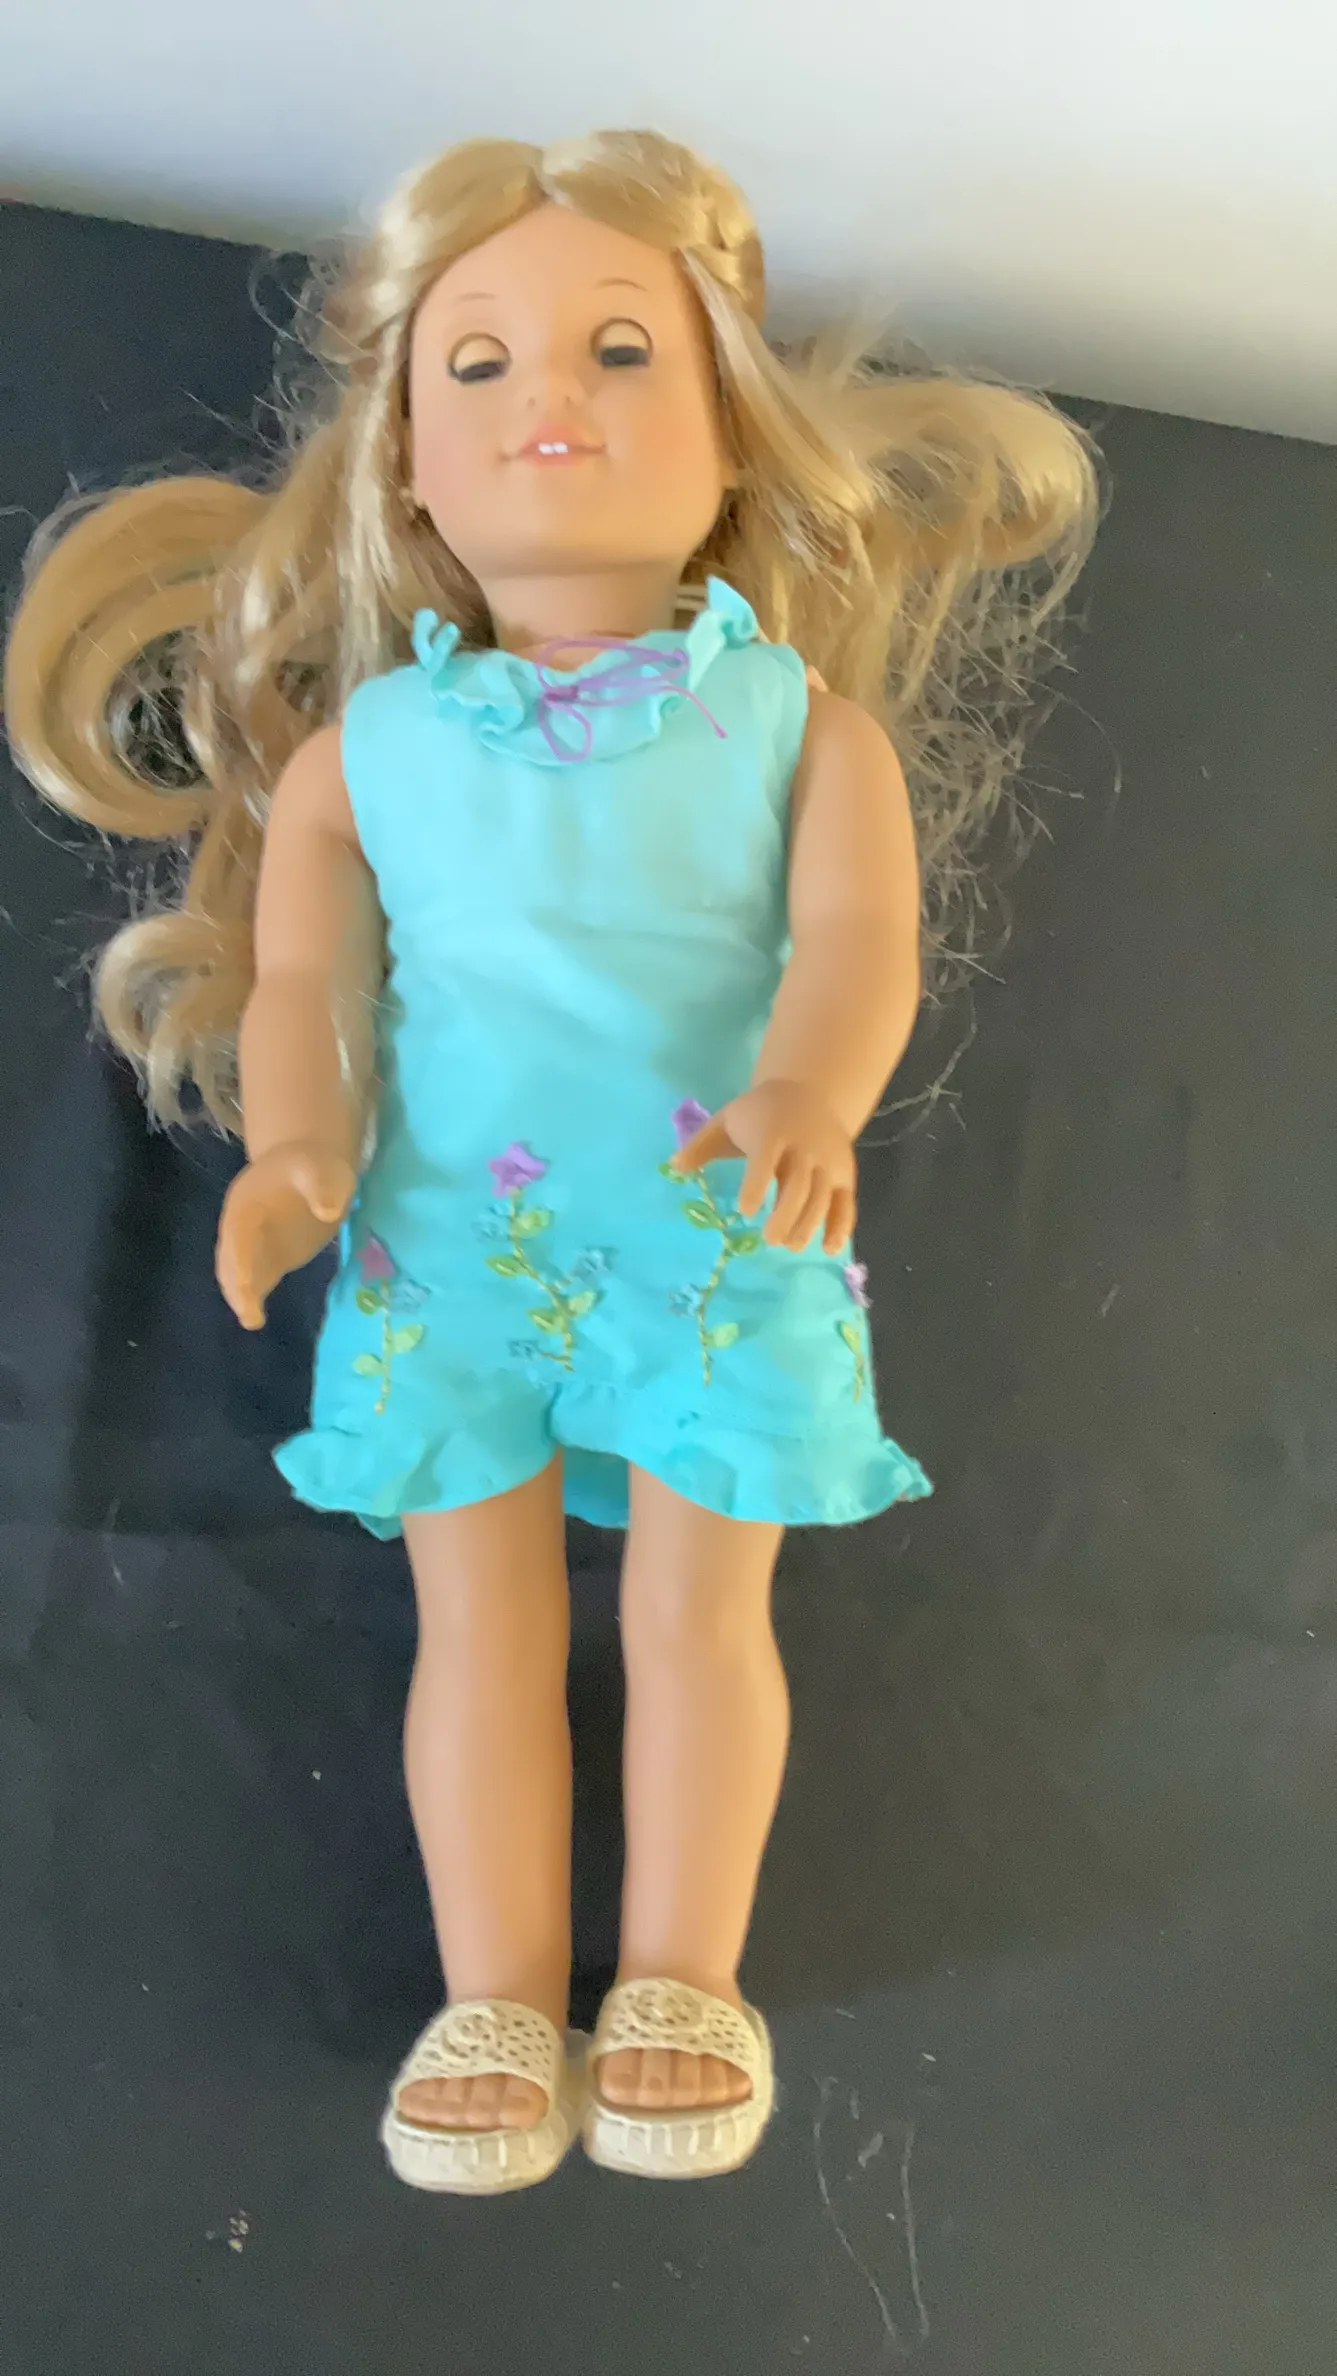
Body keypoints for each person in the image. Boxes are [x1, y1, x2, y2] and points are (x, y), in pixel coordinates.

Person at [3, 129, 1097, 2192]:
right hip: (451, 1246)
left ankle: (684, 1976)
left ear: (732, 430)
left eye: (620, 348)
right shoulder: (367, 755)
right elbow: (302, 976)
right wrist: (296, 1147)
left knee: (701, 1615)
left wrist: (810, 1095)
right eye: (478, 364)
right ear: (407, 459)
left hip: (722, 1223)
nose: (549, 404)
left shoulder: (799, 729)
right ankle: (494, 1995)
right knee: (480, 1626)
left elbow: (859, 945)